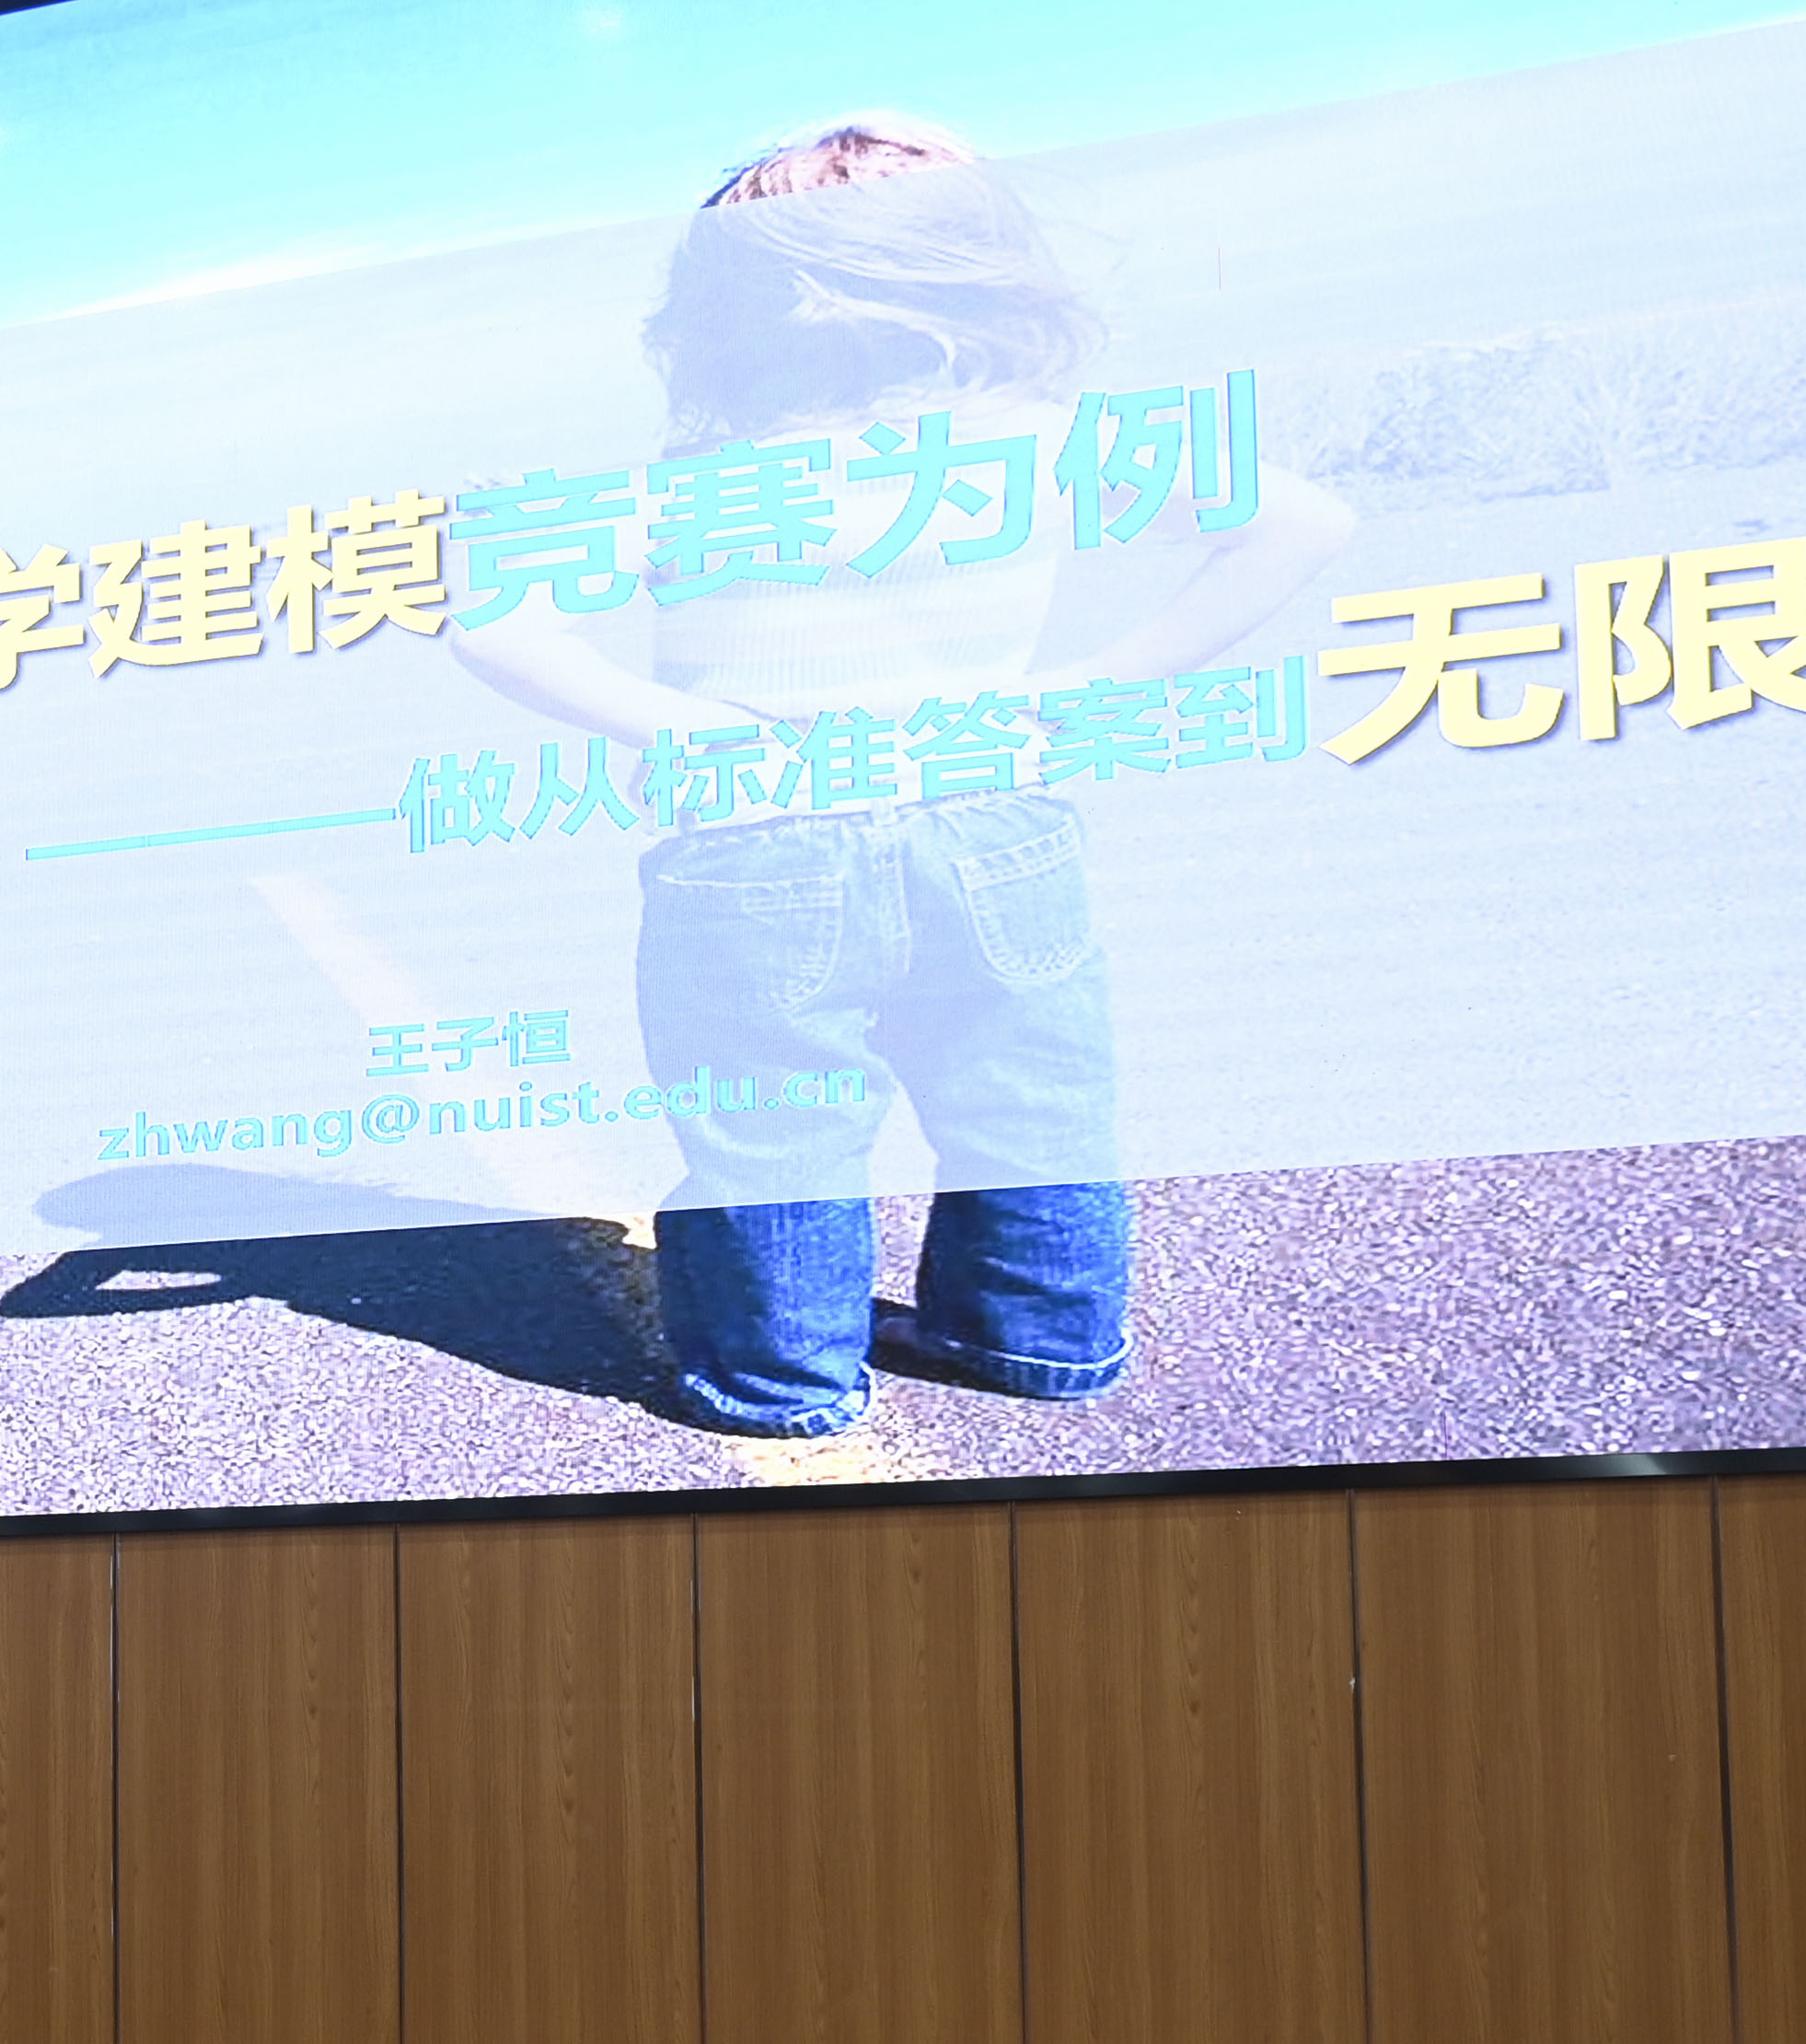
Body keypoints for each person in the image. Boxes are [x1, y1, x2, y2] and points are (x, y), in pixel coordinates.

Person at [450, 114, 1350, 1435]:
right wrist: (1094, 688)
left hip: (758, 835)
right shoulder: (1041, 438)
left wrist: (685, 729)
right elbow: (1302, 521)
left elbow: (497, 622)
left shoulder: (713, 480)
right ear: (980, 272)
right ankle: (1038, 1336)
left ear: (727, 308)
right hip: (993, 808)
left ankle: (782, 1378)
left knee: (771, 1126)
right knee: (1031, 1099)